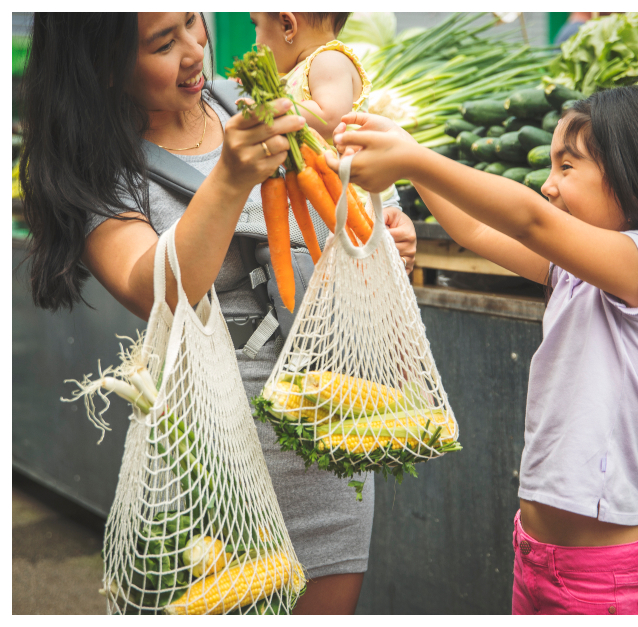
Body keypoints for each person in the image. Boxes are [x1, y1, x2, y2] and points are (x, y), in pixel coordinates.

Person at [18, 13, 417, 614]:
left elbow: (331, 229)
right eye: (162, 43)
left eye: (191, 22)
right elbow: (149, 286)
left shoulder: (260, 105)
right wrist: (229, 179)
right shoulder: (100, 169)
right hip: (211, 456)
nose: (194, 49)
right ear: (103, 66)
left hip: (322, 426)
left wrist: (382, 237)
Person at [328, 84, 638, 615]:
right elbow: (473, 228)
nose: (549, 186)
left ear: (633, 172)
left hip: (601, 578)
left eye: (567, 167)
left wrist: (415, 157)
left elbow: (529, 219)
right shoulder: (574, 272)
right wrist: (413, 162)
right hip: (534, 553)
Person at [249, 12, 365, 143]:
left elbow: (330, 119)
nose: (256, 42)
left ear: (288, 26)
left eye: (255, 24)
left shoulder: (329, 60)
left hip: (335, 161)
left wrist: (266, 110)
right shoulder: (300, 70)